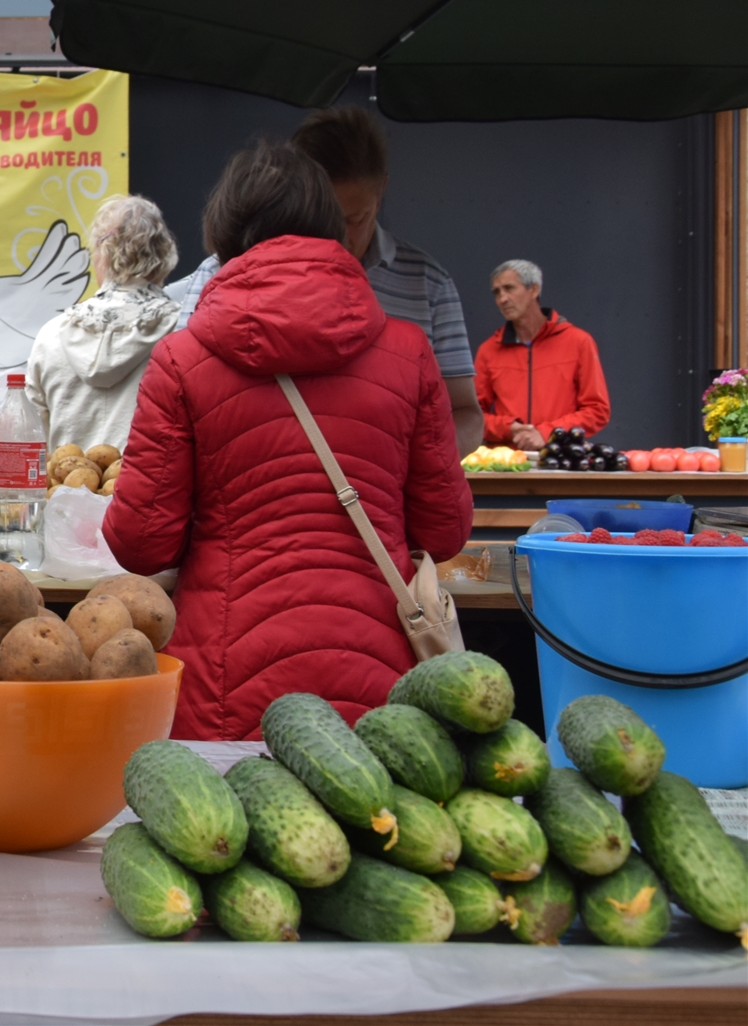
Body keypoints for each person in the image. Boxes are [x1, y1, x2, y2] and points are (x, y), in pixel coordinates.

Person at [103, 144, 471, 740]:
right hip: (384, 682)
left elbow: (141, 544)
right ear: (333, 227)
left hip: (229, 683)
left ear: (223, 237)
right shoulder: (409, 353)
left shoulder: (182, 359)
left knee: (227, 829)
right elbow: (445, 531)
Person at [172, 108, 482, 454]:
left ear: (382, 190)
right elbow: (179, 398)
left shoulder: (428, 284)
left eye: (356, 218)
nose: (341, 237)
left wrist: (421, 464)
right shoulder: (221, 274)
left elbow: (464, 411)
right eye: (328, 215)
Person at [25, 194, 179, 454]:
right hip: (153, 491)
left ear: (102, 255)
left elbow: (29, 435)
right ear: (164, 254)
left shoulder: (52, 334)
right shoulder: (184, 330)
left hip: (65, 488)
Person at [474, 259, 610, 450]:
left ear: (534, 290)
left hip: (562, 460)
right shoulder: (489, 350)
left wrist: (547, 433)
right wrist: (509, 428)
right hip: (507, 464)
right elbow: (472, 416)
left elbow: (597, 410)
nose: (502, 299)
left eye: (509, 288)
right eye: (497, 292)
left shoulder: (578, 342)